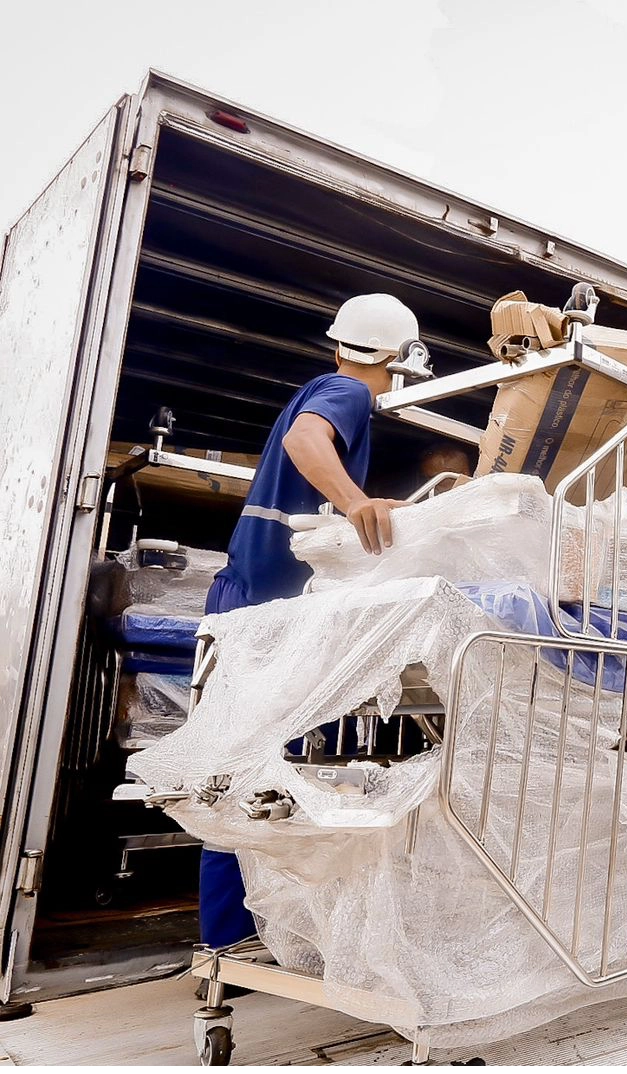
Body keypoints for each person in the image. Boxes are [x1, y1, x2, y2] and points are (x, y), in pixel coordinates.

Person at [198, 293, 421, 952]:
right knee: (241, 776)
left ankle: (236, 937)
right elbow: (305, 440)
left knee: (241, 775)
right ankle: (232, 942)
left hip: (253, 608)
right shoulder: (344, 392)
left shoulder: (325, 384)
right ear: (402, 358)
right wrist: (355, 503)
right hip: (259, 615)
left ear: (340, 341)